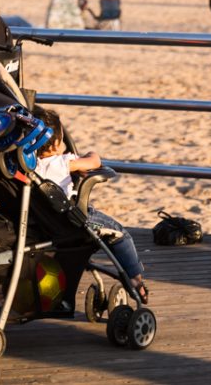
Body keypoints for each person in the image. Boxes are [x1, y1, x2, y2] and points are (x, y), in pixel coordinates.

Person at [32, 108, 148, 303]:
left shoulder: (30, 165)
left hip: (42, 220)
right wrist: (89, 154)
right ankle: (136, 280)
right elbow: (95, 161)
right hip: (73, 219)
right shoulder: (63, 162)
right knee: (121, 235)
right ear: (57, 143)